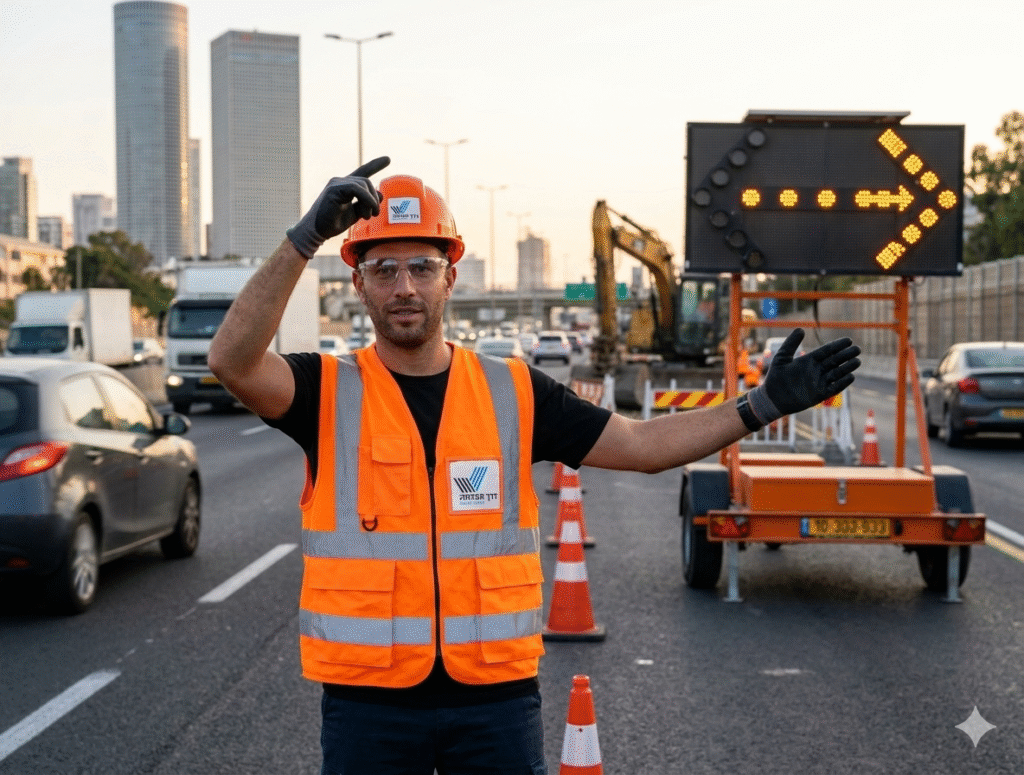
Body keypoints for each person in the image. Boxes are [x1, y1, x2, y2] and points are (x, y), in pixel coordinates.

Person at [208, 158, 861, 774]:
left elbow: (640, 445)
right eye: (383, 270)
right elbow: (233, 361)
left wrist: (759, 404)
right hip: (367, 702)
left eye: (420, 267)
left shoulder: (513, 391)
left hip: (493, 696)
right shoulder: (326, 389)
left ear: (450, 277)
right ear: (357, 283)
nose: (403, 286)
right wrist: (305, 237)